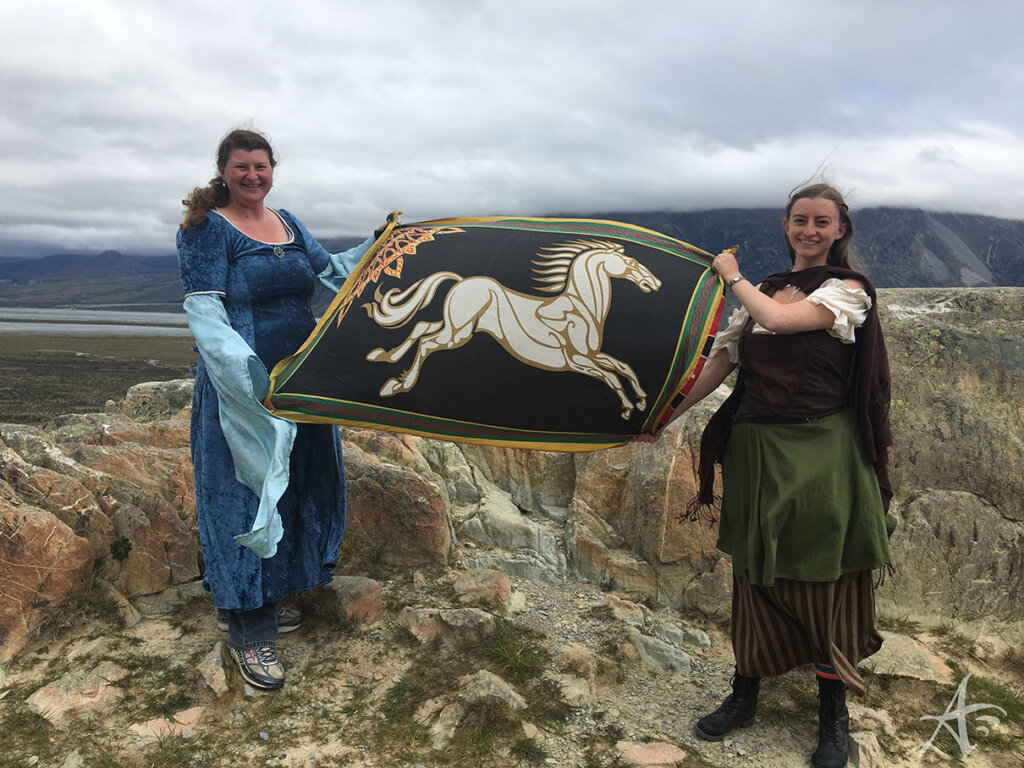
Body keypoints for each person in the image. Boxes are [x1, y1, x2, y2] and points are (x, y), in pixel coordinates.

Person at [640, 183, 893, 768]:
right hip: (757, 450)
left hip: (821, 453)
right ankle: (745, 693)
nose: (809, 230)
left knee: (823, 577)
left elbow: (778, 322)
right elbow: (723, 364)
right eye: (800, 220)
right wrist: (662, 418)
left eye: (821, 222)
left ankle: (834, 717)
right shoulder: (766, 291)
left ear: (839, 231)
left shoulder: (847, 291)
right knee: (754, 571)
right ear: (786, 226)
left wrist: (731, 275)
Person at [177, 128, 377, 690]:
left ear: (272, 170)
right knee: (246, 495)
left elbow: (335, 273)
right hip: (244, 388)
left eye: (261, 166)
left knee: (295, 487)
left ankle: (262, 596)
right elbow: (205, 313)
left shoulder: (287, 221)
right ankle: (251, 633)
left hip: (301, 380)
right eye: (241, 167)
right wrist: (247, 380)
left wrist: (381, 244)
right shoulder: (204, 230)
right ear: (223, 170)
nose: (252, 176)